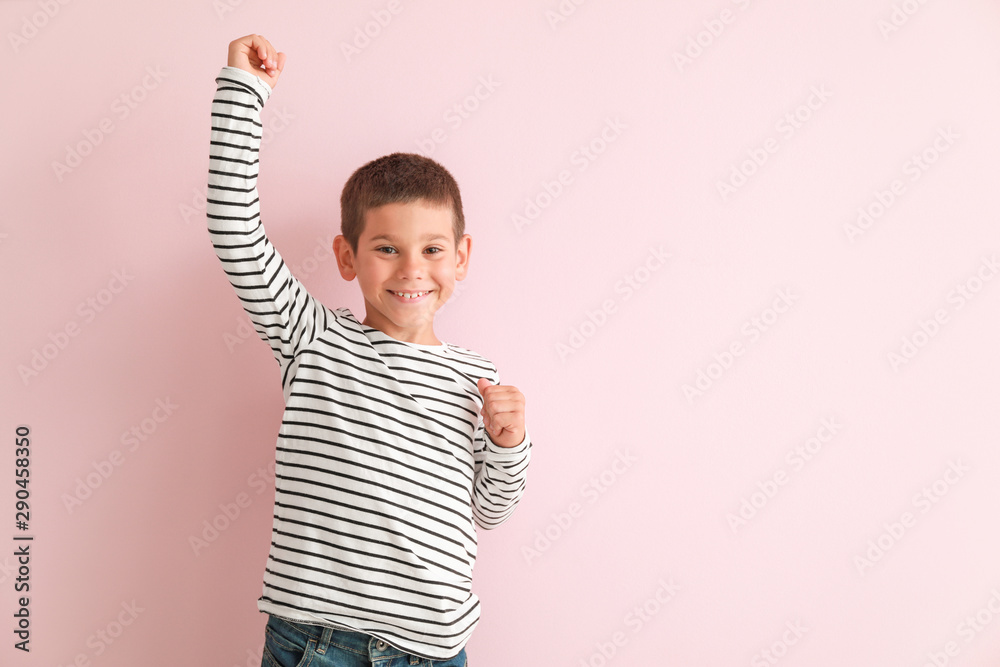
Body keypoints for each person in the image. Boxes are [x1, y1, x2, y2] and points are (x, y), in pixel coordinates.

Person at [207, 33, 532, 667]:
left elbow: (491, 510)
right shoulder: (313, 337)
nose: (412, 268)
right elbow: (232, 224)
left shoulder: (478, 378)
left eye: (433, 249)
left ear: (460, 258)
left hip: (435, 650)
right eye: (387, 248)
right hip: (316, 642)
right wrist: (246, 91)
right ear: (347, 257)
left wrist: (508, 444)